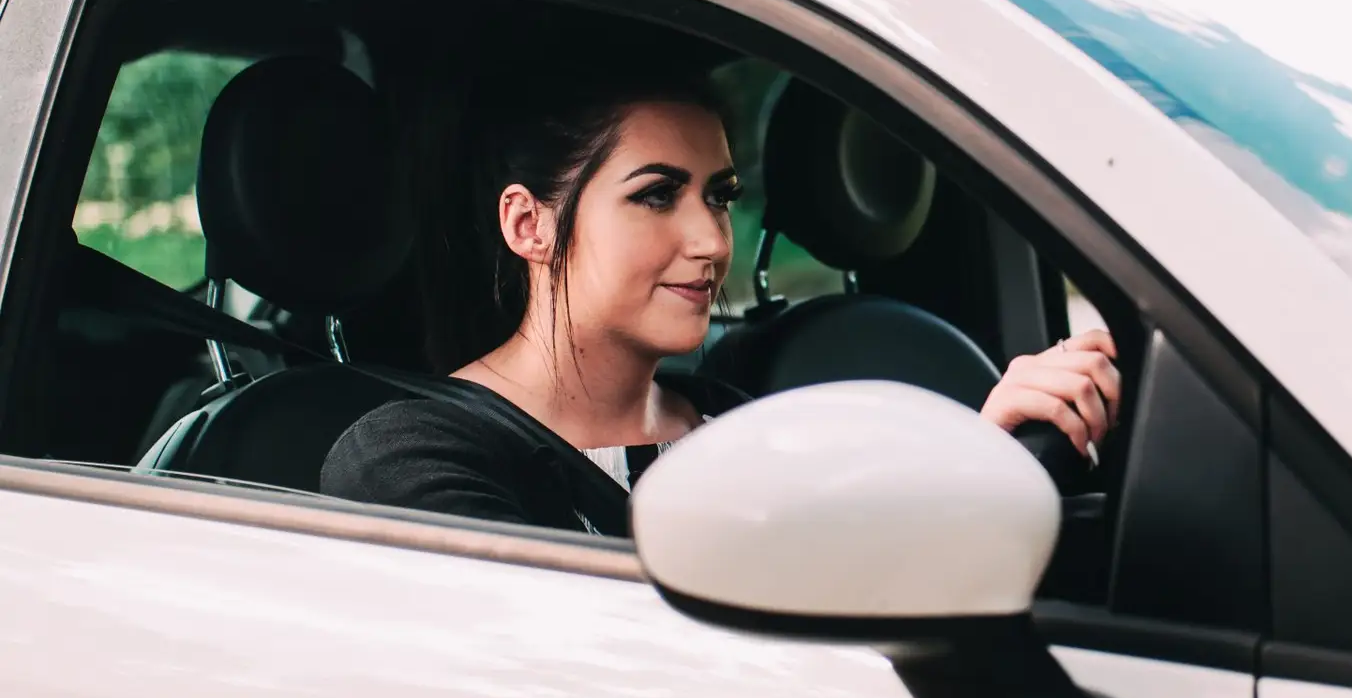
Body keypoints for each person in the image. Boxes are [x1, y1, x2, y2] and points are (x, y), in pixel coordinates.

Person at [320, 63, 1121, 537]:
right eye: (658, 196)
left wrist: (982, 454)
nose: (710, 240)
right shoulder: (409, 456)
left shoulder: (745, 426)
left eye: (720, 196)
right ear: (529, 224)